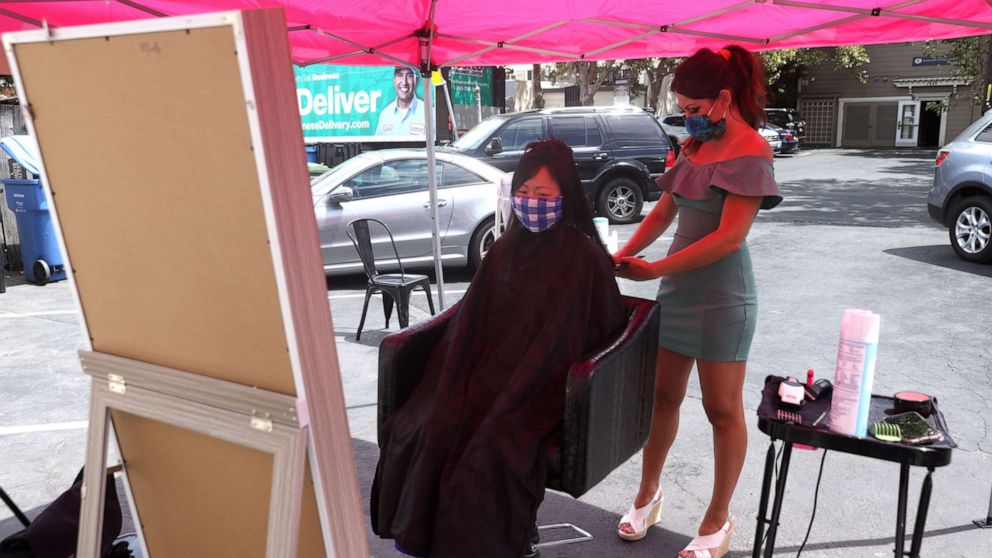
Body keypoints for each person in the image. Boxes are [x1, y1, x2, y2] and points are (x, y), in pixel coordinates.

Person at [371, 139, 625, 558]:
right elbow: (471, 317)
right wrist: (458, 371)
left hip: (542, 384)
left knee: (491, 448)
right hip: (483, 368)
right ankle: (420, 539)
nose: (530, 202)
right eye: (524, 193)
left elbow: (592, 331)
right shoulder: (505, 245)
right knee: (424, 425)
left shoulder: (584, 258)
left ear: (566, 196)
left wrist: (526, 376)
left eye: (543, 195)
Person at [612, 45, 782, 558]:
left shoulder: (753, 150)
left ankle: (718, 518)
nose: (686, 116)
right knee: (662, 399)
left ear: (723, 99)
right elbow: (663, 214)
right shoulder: (692, 147)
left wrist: (654, 268)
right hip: (678, 290)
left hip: (724, 296)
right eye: (682, 107)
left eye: (692, 107)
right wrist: (622, 255)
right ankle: (649, 493)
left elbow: (730, 237)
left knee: (721, 410)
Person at [374, 66, 426, 136]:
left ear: (416, 80)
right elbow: (377, 146)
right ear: (394, 80)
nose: (404, 82)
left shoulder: (428, 113)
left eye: (409, 75)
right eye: (400, 75)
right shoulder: (385, 115)